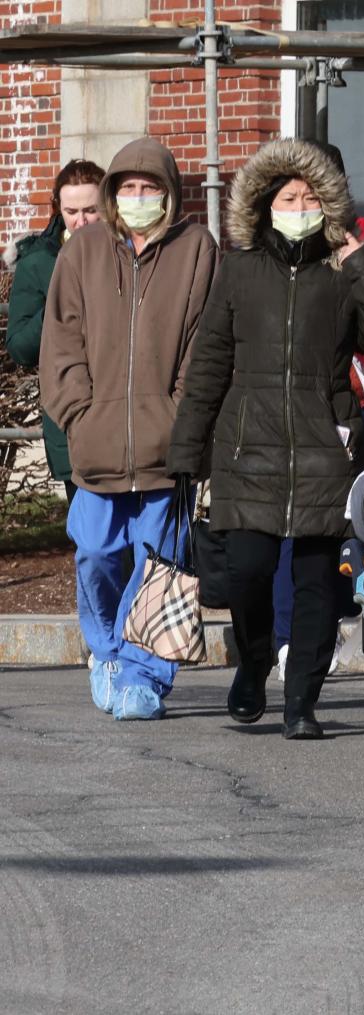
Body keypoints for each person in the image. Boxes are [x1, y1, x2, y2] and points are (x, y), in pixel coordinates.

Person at [166, 138, 364, 740]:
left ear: (328, 204)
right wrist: (187, 452)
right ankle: (251, 661)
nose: (299, 206)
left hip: (327, 443)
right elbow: (210, 362)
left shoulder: (347, 266)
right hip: (248, 446)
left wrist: (361, 264)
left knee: (318, 583)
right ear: (267, 204)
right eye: (288, 197)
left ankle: (302, 700)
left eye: (310, 197)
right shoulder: (239, 268)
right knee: (246, 572)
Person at [39, 138, 218, 721]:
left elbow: (205, 346)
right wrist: (78, 413)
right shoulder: (83, 251)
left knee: (156, 565)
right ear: (113, 193)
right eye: (129, 188)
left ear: (170, 195)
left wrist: (179, 418)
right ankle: (109, 655)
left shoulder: (197, 249)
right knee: (95, 553)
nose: (139, 198)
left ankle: (143, 675)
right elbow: (60, 341)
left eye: (152, 188)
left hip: (165, 452)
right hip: (97, 447)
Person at [270, 141, 364, 685]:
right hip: (296, 408)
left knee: (350, 527)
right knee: (294, 531)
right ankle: (291, 641)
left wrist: (360, 258)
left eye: (320, 187)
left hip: (361, 412)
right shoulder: (268, 250)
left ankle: (336, 622)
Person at [5, 158, 105, 502]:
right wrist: (59, 301)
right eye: (71, 210)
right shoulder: (39, 263)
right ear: (58, 209)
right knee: (94, 548)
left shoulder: (129, 255)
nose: (81, 221)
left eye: (91, 210)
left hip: (130, 421)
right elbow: (20, 348)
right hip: (72, 425)